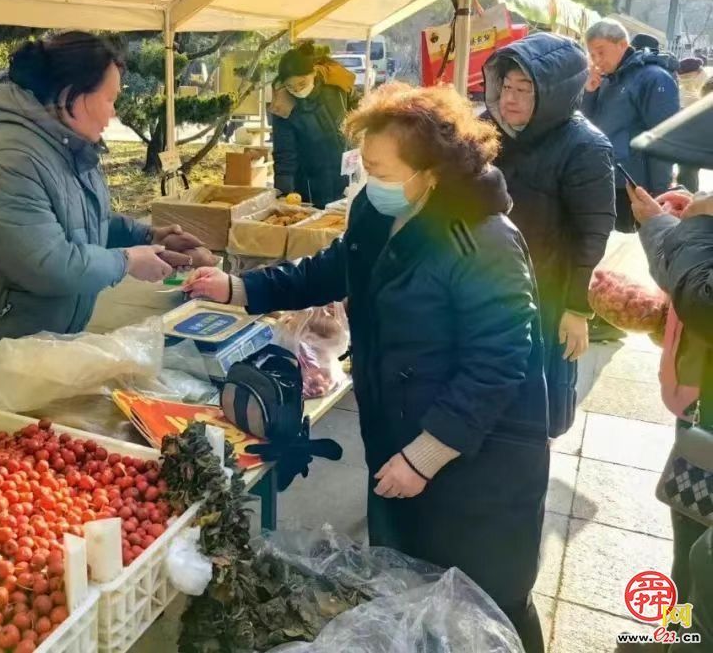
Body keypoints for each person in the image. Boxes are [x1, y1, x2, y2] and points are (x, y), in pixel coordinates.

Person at [185, 84, 549, 651]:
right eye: (363, 165)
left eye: (378, 168)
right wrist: (238, 286)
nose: (365, 179)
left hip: (479, 455)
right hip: (398, 428)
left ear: (430, 170)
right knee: (411, 585)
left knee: (489, 601)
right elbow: (334, 268)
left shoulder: (484, 241)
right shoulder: (379, 211)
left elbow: (498, 364)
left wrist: (425, 456)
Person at [0, 31, 206, 388]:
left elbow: (84, 221)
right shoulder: (10, 158)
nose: (114, 113)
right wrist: (128, 261)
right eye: (110, 99)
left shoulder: (67, 147)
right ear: (73, 97)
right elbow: (50, 265)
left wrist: (146, 236)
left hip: (23, 355)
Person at [483, 33, 616, 436]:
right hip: (485, 284)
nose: (511, 98)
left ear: (555, 95)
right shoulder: (486, 130)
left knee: (538, 400)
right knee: (485, 386)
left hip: (547, 291)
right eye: (506, 86)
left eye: (525, 90)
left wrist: (578, 308)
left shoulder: (585, 146)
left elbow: (593, 231)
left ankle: (528, 463)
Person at [627, 183, 713, 649]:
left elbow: (702, 298)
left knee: (701, 546)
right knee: (688, 527)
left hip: (707, 408)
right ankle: (676, 629)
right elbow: (686, 277)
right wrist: (662, 224)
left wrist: (695, 226)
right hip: (699, 403)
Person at [582, 20, 680, 231]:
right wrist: (589, 92)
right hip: (606, 176)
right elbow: (586, 125)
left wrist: (660, 193)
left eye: (601, 52)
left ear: (622, 44)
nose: (597, 60)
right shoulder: (606, 79)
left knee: (653, 240)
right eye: (592, 54)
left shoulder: (653, 78)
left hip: (635, 183)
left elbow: (663, 139)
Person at [269, 42, 354, 206]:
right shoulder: (283, 107)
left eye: (302, 83)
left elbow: (357, 110)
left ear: (313, 72)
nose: (298, 90)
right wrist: (283, 191)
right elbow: (284, 153)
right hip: (309, 180)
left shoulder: (336, 86)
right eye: (290, 87)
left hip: (345, 170)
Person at [676, 56, 712, 192]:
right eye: (681, 78)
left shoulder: (708, 82)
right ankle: (688, 199)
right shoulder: (685, 87)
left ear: (697, 73)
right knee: (686, 171)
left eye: (686, 77)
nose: (683, 81)